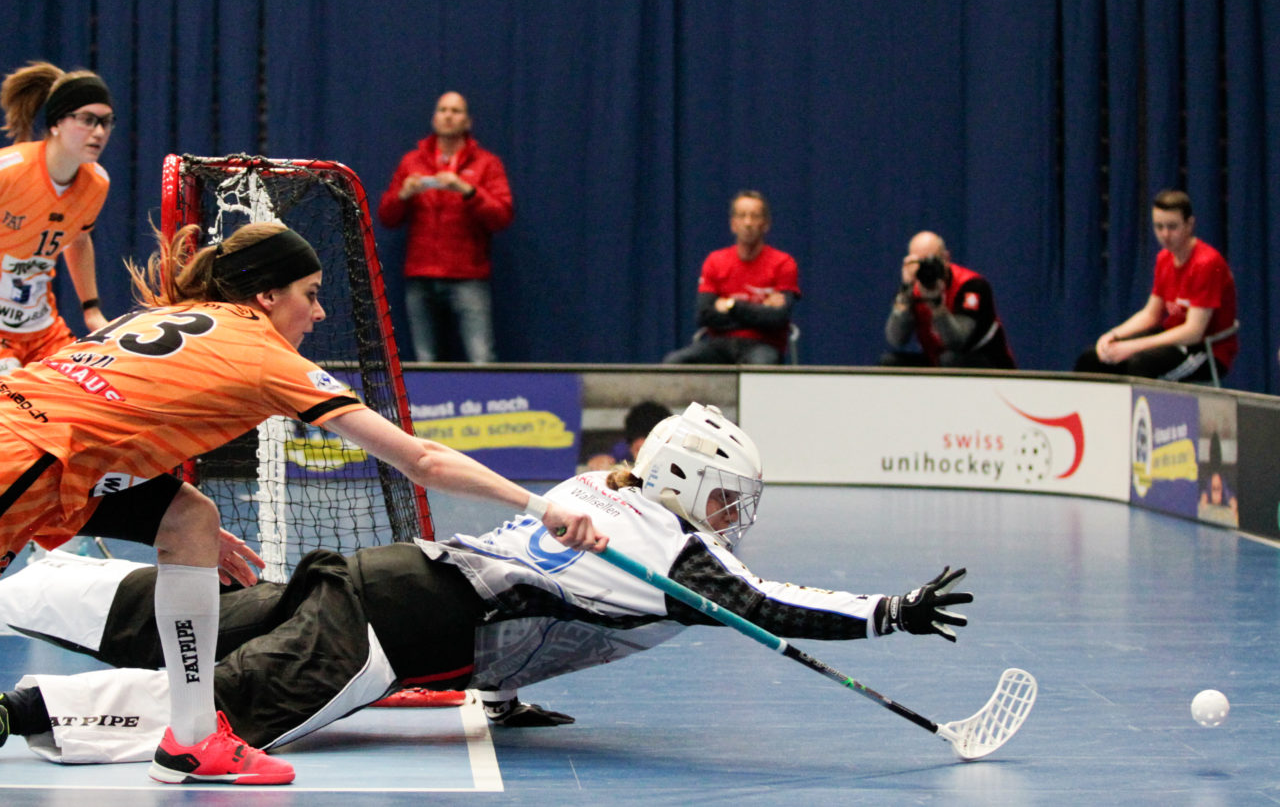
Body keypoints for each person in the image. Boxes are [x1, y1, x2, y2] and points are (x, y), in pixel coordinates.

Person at [0, 403, 970, 763]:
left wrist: (498, 690)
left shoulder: (597, 486)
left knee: (201, 614)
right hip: (391, 633)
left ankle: (26, 585)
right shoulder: (676, 558)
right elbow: (770, 605)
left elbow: (549, 603)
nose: (728, 523)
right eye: (724, 502)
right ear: (690, 488)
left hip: (384, 577)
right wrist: (890, 612)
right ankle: (27, 708)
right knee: (214, 711)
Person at [0, 221, 604, 785]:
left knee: (190, 517)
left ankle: (190, 739)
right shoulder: (265, 356)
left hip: (40, 442)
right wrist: (538, 505)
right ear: (266, 295)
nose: (318, 313)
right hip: (25, 454)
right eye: (309, 294)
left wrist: (174, 525)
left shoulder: (169, 318)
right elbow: (420, 460)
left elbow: (96, 417)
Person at [377, 91, 513, 364]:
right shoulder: (412, 161)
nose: (448, 115)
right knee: (424, 360)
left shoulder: (487, 163)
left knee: (481, 357)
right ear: (434, 117)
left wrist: (467, 190)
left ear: (467, 121)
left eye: (456, 110)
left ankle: (493, 406)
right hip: (421, 273)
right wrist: (403, 195)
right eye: (443, 110)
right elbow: (386, 218)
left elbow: (502, 216)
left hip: (468, 275)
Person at [0, 61, 114, 373]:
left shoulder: (96, 183)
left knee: (90, 395)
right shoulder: (9, 171)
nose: (99, 132)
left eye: (106, 122)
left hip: (41, 329)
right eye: (87, 120)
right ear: (57, 123)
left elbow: (77, 240)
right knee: (14, 406)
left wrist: (92, 311)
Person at [1074, 190, 1238, 382]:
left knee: (1140, 364)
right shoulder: (1164, 259)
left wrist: (1134, 347)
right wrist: (1113, 335)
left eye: (1172, 227)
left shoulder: (1206, 263)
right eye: (1159, 227)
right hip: (1173, 340)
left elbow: (1193, 331)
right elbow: (1151, 314)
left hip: (1205, 350)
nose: (1165, 234)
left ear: (1189, 224)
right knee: (1093, 358)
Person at [663, 191, 800, 365]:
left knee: (761, 366)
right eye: (742, 216)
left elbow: (778, 318)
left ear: (766, 224)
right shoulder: (715, 261)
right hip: (719, 344)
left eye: (755, 216)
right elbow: (704, 315)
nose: (748, 223)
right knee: (675, 362)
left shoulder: (783, 263)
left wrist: (730, 305)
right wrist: (759, 311)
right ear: (733, 224)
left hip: (763, 345)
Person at [881, 231, 1015, 369]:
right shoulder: (912, 289)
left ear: (946, 257)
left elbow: (956, 342)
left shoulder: (971, 286)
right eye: (919, 262)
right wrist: (904, 293)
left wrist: (937, 307)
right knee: (890, 362)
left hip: (986, 364)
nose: (926, 269)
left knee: (949, 359)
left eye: (931, 261)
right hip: (939, 361)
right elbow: (896, 339)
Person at [583, 399, 672, 470]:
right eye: (639, 450)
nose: (646, 458)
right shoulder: (622, 451)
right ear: (631, 447)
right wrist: (599, 461)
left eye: (653, 449)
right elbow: (604, 459)